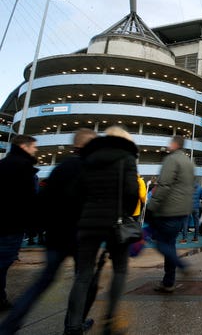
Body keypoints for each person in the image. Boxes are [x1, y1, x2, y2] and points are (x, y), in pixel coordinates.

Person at [0, 130, 96, 334]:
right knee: (86, 282)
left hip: (56, 234)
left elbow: (44, 200)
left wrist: (40, 227)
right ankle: (74, 325)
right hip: (80, 235)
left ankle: (9, 325)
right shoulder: (91, 168)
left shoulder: (62, 166)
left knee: (42, 282)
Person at [64, 126, 139, 335]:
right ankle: (110, 320)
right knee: (120, 270)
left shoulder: (89, 159)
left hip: (88, 223)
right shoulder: (126, 158)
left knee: (82, 276)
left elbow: (76, 191)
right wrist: (125, 211)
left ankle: (72, 326)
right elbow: (132, 192)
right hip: (116, 222)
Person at [146, 136, 195, 293]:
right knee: (170, 244)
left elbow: (164, 185)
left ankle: (182, 266)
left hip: (168, 210)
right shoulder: (189, 163)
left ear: (174, 144)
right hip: (183, 210)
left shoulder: (171, 160)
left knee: (160, 243)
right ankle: (168, 282)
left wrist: (151, 206)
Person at [0, 135, 38, 312]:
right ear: (24, 146)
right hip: (11, 224)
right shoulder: (23, 167)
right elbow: (28, 200)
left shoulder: (4, 164)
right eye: (33, 147)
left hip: (7, 221)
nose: (35, 150)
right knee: (3, 261)